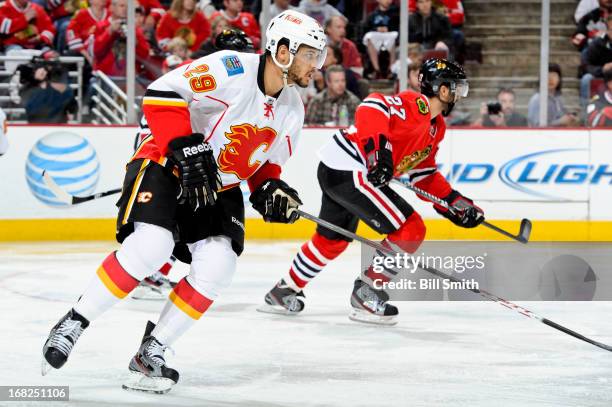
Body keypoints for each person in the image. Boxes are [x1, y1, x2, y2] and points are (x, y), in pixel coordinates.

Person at [42, 9, 326, 393]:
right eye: (309, 54)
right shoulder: (232, 66)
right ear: (284, 50)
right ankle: (75, 321)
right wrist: (186, 147)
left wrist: (272, 191)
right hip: (165, 162)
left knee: (219, 264)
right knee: (151, 245)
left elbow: (264, 167)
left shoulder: (293, 108)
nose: (316, 64)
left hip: (219, 185)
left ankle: (153, 350)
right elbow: (161, 93)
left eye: (318, 56)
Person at [259, 59, 483, 325]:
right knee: (410, 228)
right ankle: (367, 292)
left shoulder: (436, 128)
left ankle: (283, 292)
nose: (460, 94)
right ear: (443, 90)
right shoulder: (417, 106)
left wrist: (454, 203)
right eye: (457, 88)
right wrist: (377, 153)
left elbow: (423, 173)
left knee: (332, 240)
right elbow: (371, 105)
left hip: (338, 168)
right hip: (350, 168)